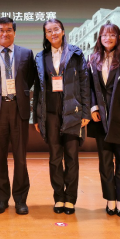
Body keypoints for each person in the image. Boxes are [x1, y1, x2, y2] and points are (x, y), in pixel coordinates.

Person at [0, 17, 36, 215]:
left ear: (14, 32)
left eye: (9, 30)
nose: (5, 33)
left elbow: (30, 79)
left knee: (20, 158)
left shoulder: (26, 54)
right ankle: (1, 199)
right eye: (1, 30)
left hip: (19, 108)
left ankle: (20, 200)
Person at [33, 18, 91, 215]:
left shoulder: (76, 53)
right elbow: (38, 89)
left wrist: (85, 111)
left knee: (72, 157)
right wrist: (37, 117)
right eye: (49, 31)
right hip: (50, 114)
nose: (53, 33)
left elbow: (84, 83)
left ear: (63, 31)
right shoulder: (41, 57)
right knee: (55, 158)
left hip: (73, 112)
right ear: (45, 35)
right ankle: (59, 197)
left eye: (56, 29)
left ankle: (70, 199)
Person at [88, 23, 120, 217]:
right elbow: (90, 87)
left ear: (118, 38)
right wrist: (93, 107)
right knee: (105, 162)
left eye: (112, 35)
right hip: (100, 118)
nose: (108, 38)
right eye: (104, 35)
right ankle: (110, 198)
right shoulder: (92, 59)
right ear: (99, 38)